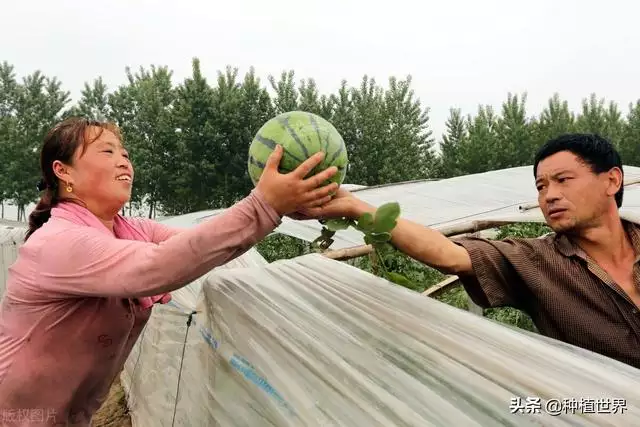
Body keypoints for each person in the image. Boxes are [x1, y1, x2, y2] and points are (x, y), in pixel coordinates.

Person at [0, 117, 339, 425]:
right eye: (107, 151)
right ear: (64, 171)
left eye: (126, 154)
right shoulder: (58, 242)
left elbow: (204, 249)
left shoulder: (131, 230)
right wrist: (263, 204)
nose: (124, 161)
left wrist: (278, 208)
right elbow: (159, 266)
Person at [303, 133, 640, 370]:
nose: (549, 195)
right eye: (541, 186)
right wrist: (355, 207)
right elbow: (449, 254)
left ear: (612, 181)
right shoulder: (536, 261)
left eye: (563, 180)